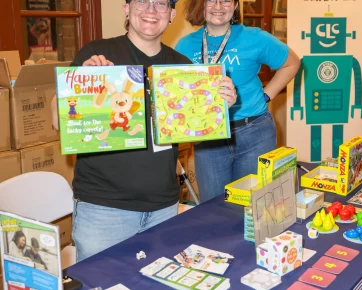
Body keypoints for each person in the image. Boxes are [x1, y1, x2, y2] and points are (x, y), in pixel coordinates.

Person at [51, 0, 237, 262]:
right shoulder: (98, 54)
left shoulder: (182, 66)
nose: (151, 10)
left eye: (160, 3)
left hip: (163, 207)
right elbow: (59, 121)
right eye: (142, 2)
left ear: (171, 14)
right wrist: (79, 86)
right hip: (104, 209)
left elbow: (197, 129)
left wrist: (220, 106)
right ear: (126, 8)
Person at [175, 0, 300, 203]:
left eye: (225, 0)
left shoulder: (255, 38)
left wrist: (266, 95)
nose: (218, 6)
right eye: (211, 0)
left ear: (234, 6)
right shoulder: (185, 46)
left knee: (253, 206)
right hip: (210, 137)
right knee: (214, 207)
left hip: (254, 132)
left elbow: (292, 63)